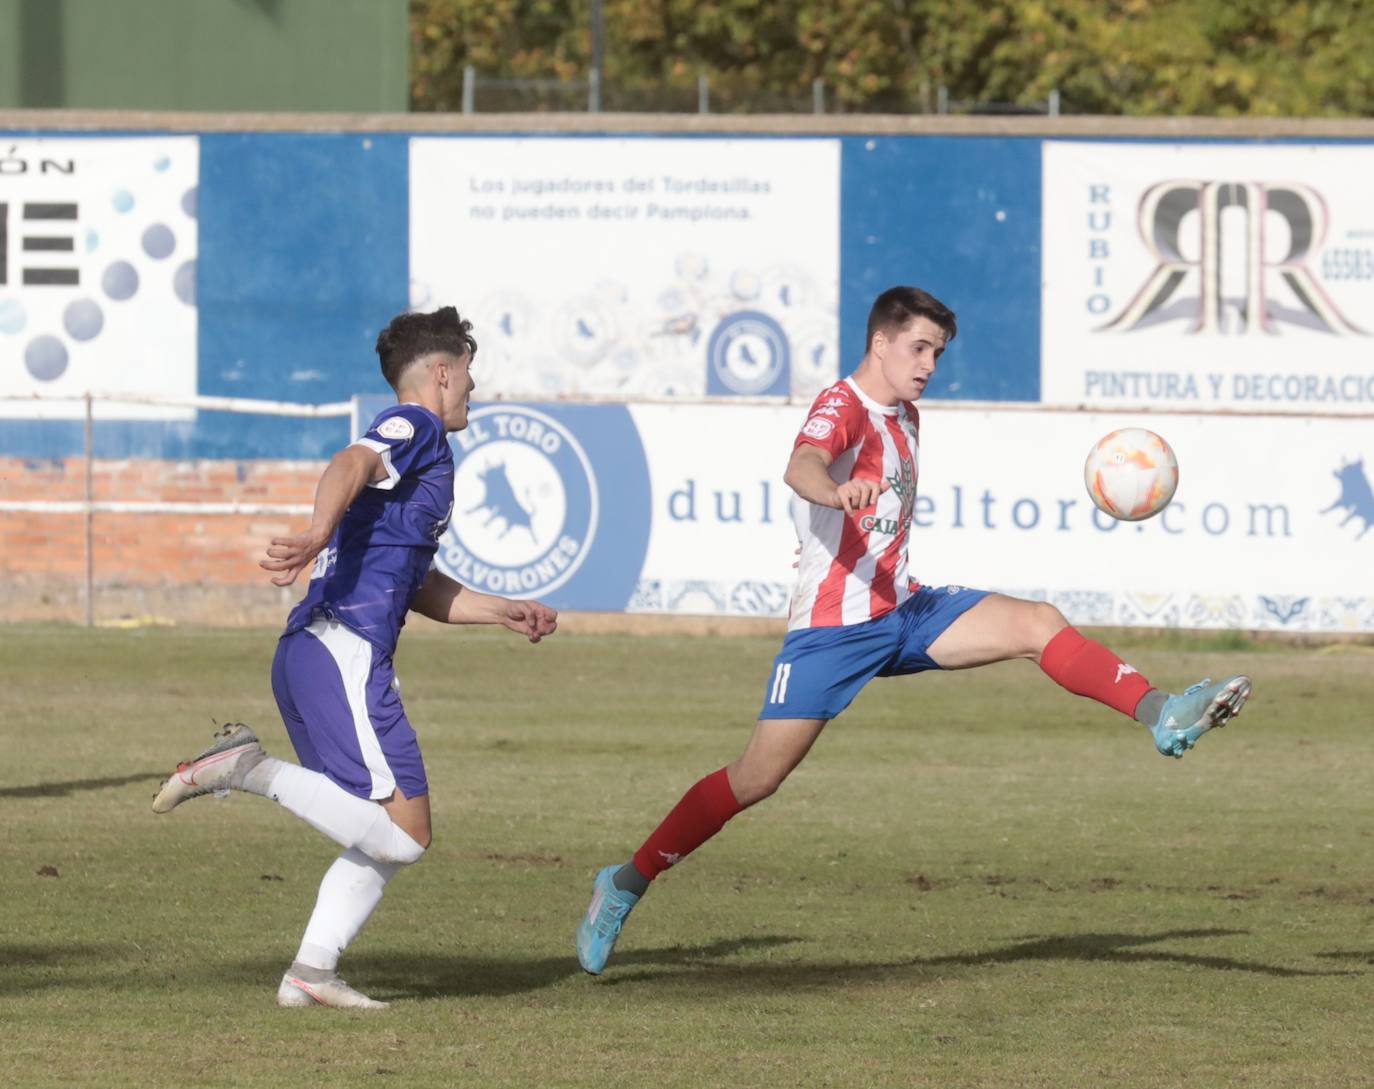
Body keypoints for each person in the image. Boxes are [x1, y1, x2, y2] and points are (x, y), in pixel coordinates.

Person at [575, 285, 1251, 975]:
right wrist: (834, 490)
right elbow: (800, 463)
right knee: (754, 778)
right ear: (880, 342)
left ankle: (1163, 711)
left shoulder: (907, 417)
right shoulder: (845, 406)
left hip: (903, 610)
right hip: (831, 633)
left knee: (1036, 623)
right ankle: (625, 881)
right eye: (919, 347)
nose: (930, 363)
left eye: (938, 352)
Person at [152, 306, 558, 1009]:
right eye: (467, 374)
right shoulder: (418, 425)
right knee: (406, 836)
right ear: (441, 372)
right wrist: (316, 531)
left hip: (313, 650)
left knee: (386, 835)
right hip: (343, 649)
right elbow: (353, 459)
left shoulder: (420, 463)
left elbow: (417, 583)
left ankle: (311, 971)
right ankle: (246, 768)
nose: (472, 388)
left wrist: (502, 610)